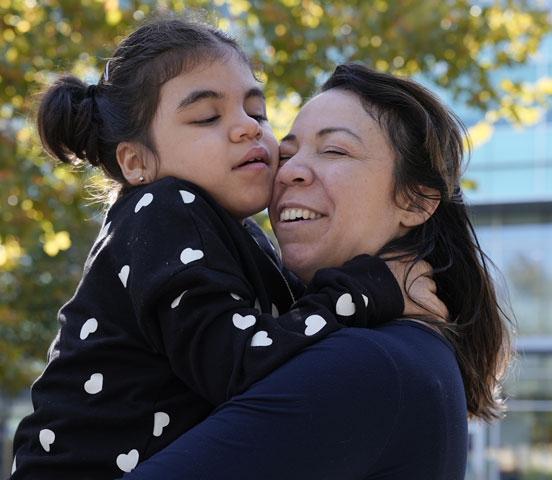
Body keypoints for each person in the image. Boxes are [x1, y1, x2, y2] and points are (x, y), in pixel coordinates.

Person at [9, 20, 436, 480]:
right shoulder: (163, 208)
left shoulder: (236, 234)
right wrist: (369, 289)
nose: (245, 129)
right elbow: (236, 362)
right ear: (137, 162)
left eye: (256, 111)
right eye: (207, 118)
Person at [121, 64, 513, 479]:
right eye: (286, 154)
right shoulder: (396, 352)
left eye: (334, 151)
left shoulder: (370, 365)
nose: (287, 171)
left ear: (416, 201)